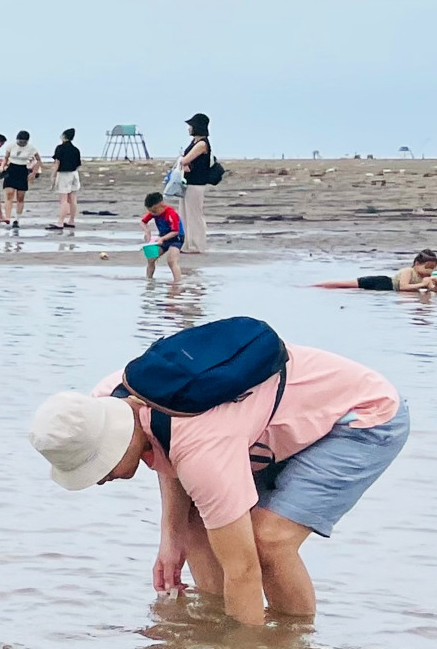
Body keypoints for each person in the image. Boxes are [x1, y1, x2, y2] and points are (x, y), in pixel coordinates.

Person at [28, 336, 410, 626]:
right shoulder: (108, 400)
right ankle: (213, 628)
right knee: (198, 527)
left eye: (95, 467)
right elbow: (166, 447)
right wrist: (171, 534)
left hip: (360, 417)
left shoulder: (202, 448)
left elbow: (243, 572)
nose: (98, 481)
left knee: (267, 542)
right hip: (263, 428)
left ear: (111, 443)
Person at [313, 249, 437, 292]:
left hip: (386, 289)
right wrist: (422, 284)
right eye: (427, 267)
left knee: (355, 290)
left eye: (433, 268)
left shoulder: (425, 278)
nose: (429, 271)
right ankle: (317, 286)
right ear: (417, 264)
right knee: (347, 285)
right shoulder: (408, 271)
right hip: (383, 282)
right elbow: (403, 287)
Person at [181, 113, 212, 253]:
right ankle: (187, 244)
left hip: (196, 183)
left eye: (191, 126)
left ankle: (196, 245)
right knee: (185, 214)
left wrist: (184, 162)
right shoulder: (194, 142)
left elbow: (185, 159)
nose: (189, 129)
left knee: (194, 215)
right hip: (188, 182)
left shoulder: (202, 144)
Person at [0, 130, 42, 227]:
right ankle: (8, 218)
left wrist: (34, 172)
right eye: (20, 141)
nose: (21, 143)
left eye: (24, 142)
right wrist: (2, 166)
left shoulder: (31, 148)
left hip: (23, 170)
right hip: (11, 169)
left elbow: (39, 160)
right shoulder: (11, 146)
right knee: (9, 194)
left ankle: (17, 219)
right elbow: (5, 158)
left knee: (20, 197)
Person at [141, 192, 184, 283]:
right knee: (151, 258)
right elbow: (143, 222)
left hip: (176, 238)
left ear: (161, 205)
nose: (153, 213)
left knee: (171, 261)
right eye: (150, 211)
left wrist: (162, 239)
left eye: (154, 211)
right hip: (163, 238)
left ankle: (177, 282)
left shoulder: (171, 213)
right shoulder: (153, 213)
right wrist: (147, 232)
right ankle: (149, 281)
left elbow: (175, 231)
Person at [47, 128, 82, 230]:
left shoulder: (60, 148)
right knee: (73, 199)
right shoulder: (76, 150)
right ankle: (71, 220)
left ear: (64, 136)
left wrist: (53, 176)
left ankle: (60, 222)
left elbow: (57, 163)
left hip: (64, 174)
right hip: (74, 173)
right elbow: (78, 164)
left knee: (64, 200)